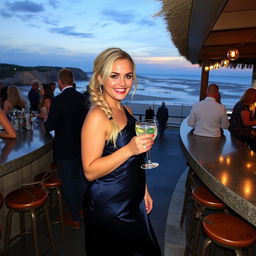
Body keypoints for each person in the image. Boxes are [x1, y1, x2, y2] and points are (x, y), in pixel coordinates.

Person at [81, 48, 161, 256]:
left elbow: (134, 160)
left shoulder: (126, 110)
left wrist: (144, 189)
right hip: (111, 207)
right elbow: (89, 171)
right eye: (114, 76)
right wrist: (129, 148)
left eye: (128, 76)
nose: (122, 83)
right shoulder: (97, 116)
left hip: (132, 199)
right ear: (100, 78)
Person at [44, 68, 87, 229]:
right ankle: (82, 210)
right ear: (72, 80)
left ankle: (75, 217)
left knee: (68, 183)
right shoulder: (82, 98)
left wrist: (45, 120)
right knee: (79, 180)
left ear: (60, 82)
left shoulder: (58, 100)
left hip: (64, 149)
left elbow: (50, 126)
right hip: (80, 147)